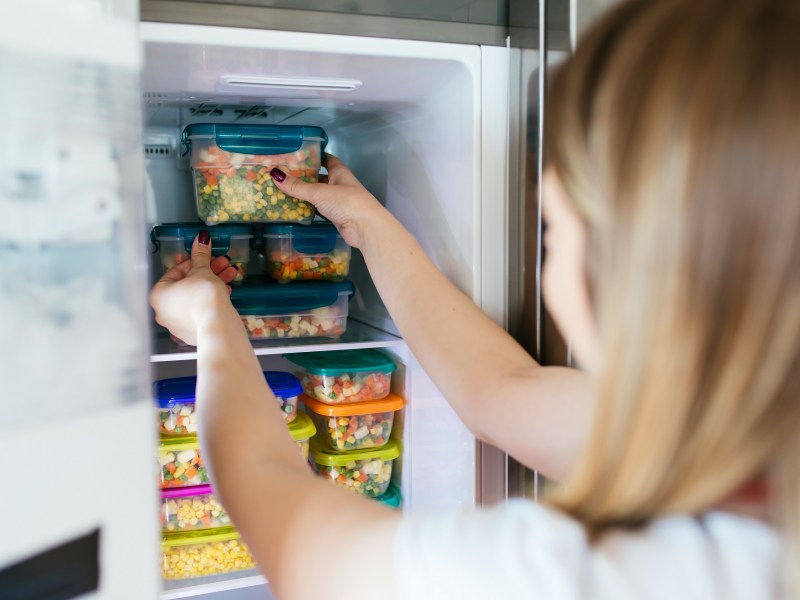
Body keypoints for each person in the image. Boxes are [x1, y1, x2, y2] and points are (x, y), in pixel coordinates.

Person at [149, 0, 800, 597]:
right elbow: (500, 390)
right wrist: (367, 224)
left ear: (633, 274)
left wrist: (212, 321)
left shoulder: (592, 573)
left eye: (552, 233)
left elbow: (292, 536)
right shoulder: (716, 442)